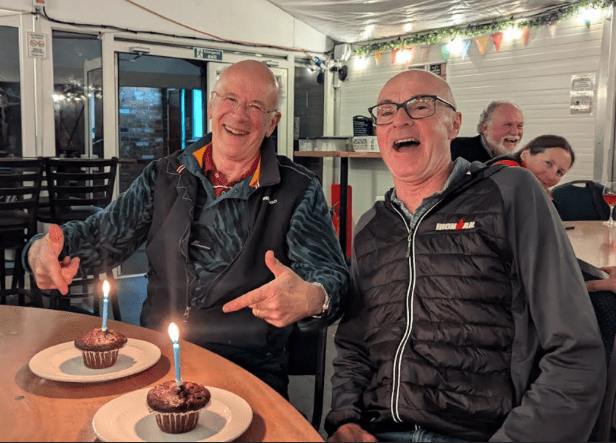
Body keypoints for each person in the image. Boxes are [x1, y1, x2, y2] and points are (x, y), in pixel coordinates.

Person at [25, 60, 349, 397]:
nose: (239, 115)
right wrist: (42, 250)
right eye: (230, 100)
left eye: (255, 107)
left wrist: (314, 297)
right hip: (158, 356)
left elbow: (334, 279)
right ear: (211, 106)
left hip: (248, 367)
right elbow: (102, 235)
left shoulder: (298, 189)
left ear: (272, 123)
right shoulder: (163, 175)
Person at [325, 69, 605, 442]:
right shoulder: (372, 226)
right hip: (379, 431)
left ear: (454, 124)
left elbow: (575, 351)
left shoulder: (509, 191)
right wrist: (345, 419)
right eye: (387, 111)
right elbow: (353, 346)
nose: (401, 119)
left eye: (420, 106)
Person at [487, 134, 575, 198]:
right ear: (525, 155)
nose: (551, 176)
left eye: (559, 173)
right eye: (548, 163)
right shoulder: (506, 168)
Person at [450, 100, 524, 163]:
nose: (515, 132)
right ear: (485, 128)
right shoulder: (455, 150)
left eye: (519, 126)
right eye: (507, 125)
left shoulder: (523, 160)